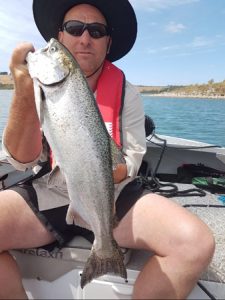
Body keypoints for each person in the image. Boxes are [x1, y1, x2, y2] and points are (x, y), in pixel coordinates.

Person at [0, 0, 215, 299]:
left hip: (110, 192)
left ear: (108, 42)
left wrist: (92, 162)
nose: (85, 38)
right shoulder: (36, 85)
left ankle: (103, 243)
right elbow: (21, 160)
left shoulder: (128, 93)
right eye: (75, 29)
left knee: (195, 243)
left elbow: (130, 164)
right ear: (61, 36)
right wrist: (22, 87)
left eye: (96, 31)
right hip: (51, 185)